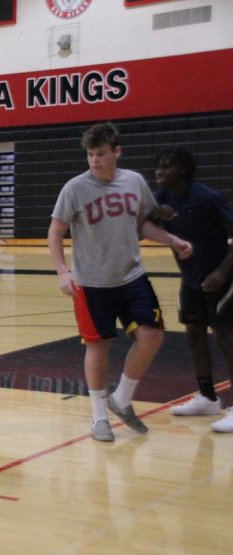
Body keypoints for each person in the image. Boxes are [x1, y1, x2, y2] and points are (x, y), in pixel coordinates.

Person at [47, 122, 193, 442]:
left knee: (151, 335)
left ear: (117, 152)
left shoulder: (134, 182)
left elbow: (143, 225)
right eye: (90, 154)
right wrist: (61, 271)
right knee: (98, 346)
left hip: (131, 276)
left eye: (101, 154)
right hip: (90, 281)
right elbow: (56, 232)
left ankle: (122, 399)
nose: (94, 160)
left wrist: (171, 240)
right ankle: (99, 415)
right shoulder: (75, 188)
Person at [152, 146, 233, 433]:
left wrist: (222, 271)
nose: (159, 171)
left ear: (183, 170)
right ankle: (208, 398)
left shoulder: (207, 198)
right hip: (190, 279)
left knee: (225, 337)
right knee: (194, 335)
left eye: (167, 166)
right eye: (158, 166)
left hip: (222, 277)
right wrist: (151, 214)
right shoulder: (160, 199)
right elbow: (141, 225)